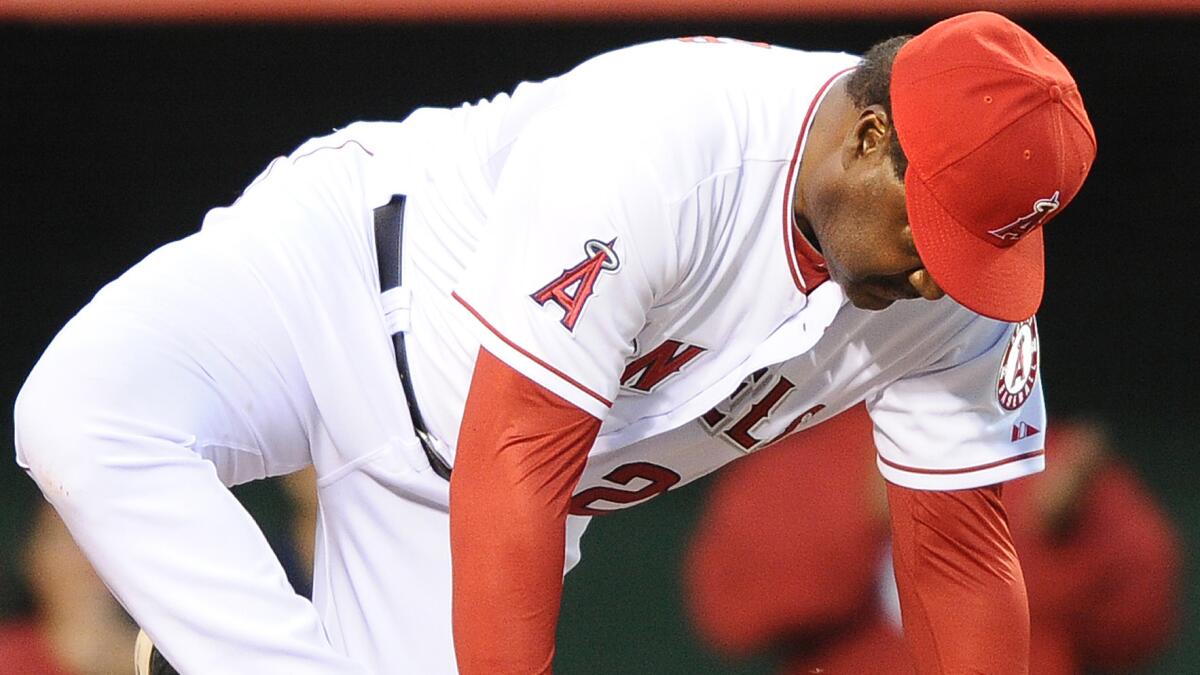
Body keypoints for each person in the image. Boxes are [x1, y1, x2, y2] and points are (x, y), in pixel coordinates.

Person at [13, 11, 1095, 674]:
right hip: (339, 283)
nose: (936, 274)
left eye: (982, 248)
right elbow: (517, 459)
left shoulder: (960, 297)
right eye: (936, 231)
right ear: (869, 139)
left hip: (446, 508)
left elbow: (959, 555)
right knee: (80, 415)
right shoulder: (677, 138)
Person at [684, 407, 1183, 674]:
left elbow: (1137, 633)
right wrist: (857, 507)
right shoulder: (806, 455)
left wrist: (1072, 536)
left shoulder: (1043, 459)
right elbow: (731, 614)